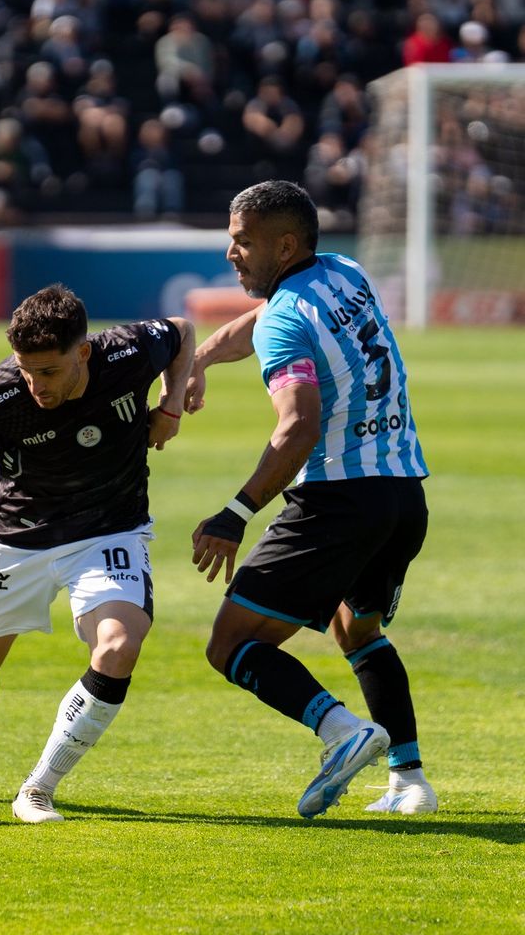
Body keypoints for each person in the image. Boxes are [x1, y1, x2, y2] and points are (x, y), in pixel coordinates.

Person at [0, 284, 195, 824]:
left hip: (109, 533)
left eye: (48, 372)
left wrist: (171, 405)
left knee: (119, 647)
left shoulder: (126, 352)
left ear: (83, 352)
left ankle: (37, 788)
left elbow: (183, 332)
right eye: (26, 369)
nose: (35, 385)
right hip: (18, 539)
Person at [186, 180, 437, 819]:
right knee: (356, 629)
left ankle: (343, 732)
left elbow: (297, 425)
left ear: (285, 244)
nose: (231, 253)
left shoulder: (283, 319)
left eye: (243, 242)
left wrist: (235, 512)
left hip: (337, 502)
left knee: (232, 642)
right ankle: (410, 781)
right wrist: (206, 358)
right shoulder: (344, 272)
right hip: (403, 496)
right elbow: (266, 316)